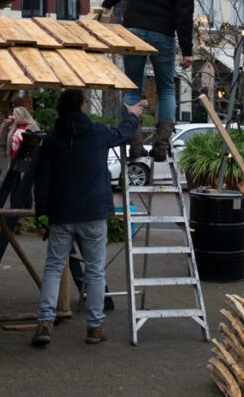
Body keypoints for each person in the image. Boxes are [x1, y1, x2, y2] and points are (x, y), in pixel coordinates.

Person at [31, 90, 144, 346]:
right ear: (82, 107)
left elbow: (43, 182)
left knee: (53, 267)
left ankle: (44, 324)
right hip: (94, 213)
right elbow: (123, 134)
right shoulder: (98, 132)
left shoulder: (51, 140)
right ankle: (95, 327)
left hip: (61, 214)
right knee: (95, 271)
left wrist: (42, 220)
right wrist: (133, 115)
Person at [95, 0, 200, 162]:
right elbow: (184, 14)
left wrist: (106, 4)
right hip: (162, 34)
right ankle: (161, 146)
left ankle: (134, 144)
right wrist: (187, 51)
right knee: (166, 89)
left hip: (132, 32)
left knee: (133, 86)